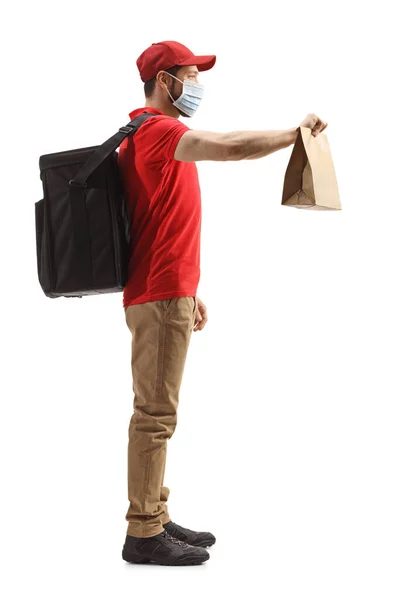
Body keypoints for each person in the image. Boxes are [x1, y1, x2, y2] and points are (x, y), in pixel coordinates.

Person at [119, 40, 328, 567]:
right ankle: (142, 533)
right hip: (160, 294)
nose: (196, 86)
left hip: (167, 292)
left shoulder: (143, 135)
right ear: (165, 82)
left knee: (158, 411)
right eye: (189, 76)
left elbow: (156, 224)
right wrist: (293, 134)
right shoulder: (160, 131)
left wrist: (189, 292)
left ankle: (157, 515)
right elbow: (231, 146)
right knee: (155, 414)